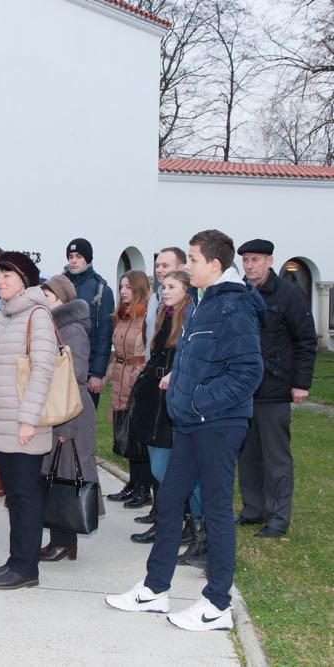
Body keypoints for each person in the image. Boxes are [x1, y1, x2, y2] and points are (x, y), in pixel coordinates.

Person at [106, 229, 263, 632]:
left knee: (214, 509)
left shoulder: (235, 306)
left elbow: (248, 373)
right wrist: (179, 384)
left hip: (218, 424)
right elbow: (200, 359)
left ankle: (217, 604)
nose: (183, 266)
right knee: (171, 499)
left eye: (190, 259)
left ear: (214, 265)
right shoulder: (200, 304)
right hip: (191, 423)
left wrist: (196, 400)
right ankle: (155, 589)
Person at [0, 251, 56, 590]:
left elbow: (43, 370)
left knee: (25, 496)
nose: (1, 280)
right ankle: (16, 559)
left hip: (23, 425)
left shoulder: (37, 315)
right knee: (14, 496)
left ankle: (27, 568)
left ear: (25, 280)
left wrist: (28, 420)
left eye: (8, 275)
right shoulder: (0, 318)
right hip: (0, 421)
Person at [236, 239, 317, 537]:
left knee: (275, 457)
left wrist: (300, 383)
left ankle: (278, 517)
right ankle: (253, 508)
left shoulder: (289, 294)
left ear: (270, 261)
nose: (249, 266)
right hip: (244, 389)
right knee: (247, 454)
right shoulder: (241, 292)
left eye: (255, 260)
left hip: (275, 386)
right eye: (245, 260)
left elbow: (306, 340)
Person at [126, 271, 204, 565]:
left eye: (172, 286)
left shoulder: (192, 318)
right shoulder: (163, 315)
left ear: (187, 289)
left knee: (181, 471)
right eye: (164, 286)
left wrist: (176, 376)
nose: (165, 290)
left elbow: (191, 358)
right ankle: (174, 521)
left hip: (174, 401)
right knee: (161, 468)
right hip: (154, 400)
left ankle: (196, 529)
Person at [38, 274, 102, 562]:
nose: (43, 302)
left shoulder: (71, 330)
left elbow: (73, 379)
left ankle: (65, 541)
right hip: (59, 411)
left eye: (48, 297)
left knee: (66, 477)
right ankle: (61, 541)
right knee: (57, 477)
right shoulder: (55, 326)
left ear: (62, 299)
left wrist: (66, 425)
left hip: (69, 413)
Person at [105, 270, 152, 508]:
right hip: (121, 378)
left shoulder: (148, 318)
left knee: (138, 434)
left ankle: (144, 487)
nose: (123, 291)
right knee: (125, 433)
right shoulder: (121, 317)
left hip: (138, 379)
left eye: (128, 287)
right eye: (122, 286)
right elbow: (116, 352)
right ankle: (134, 483)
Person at [63, 238, 115, 408]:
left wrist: (98, 373)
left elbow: (104, 334)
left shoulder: (101, 290)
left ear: (88, 258)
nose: (74, 260)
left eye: (79, 256)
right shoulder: (60, 284)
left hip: (87, 368)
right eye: (71, 256)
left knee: (83, 424)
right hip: (61, 365)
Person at [145, 247, 186, 351]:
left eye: (165, 266)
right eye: (157, 266)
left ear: (181, 268)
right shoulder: (153, 298)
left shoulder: (191, 303)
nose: (159, 270)